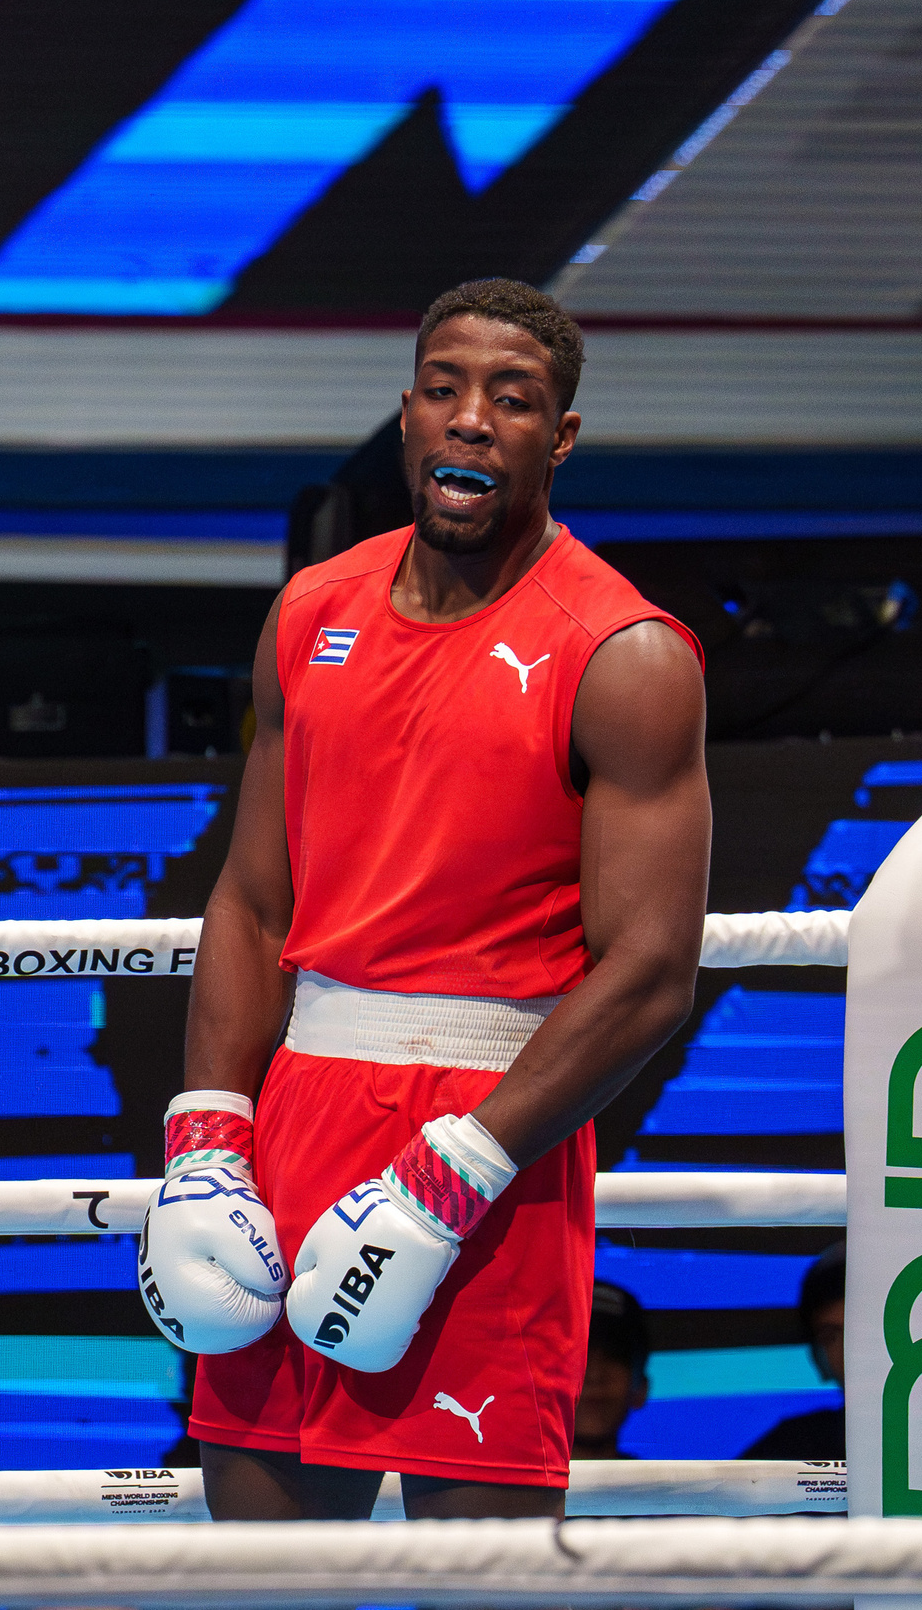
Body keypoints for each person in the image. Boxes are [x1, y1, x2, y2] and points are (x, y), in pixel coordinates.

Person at [133, 277, 712, 1519]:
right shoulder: (309, 614)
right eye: (443, 389)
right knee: (267, 1582)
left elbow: (652, 965)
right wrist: (205, 1134)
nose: (469, 420)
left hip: (496, 1136)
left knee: (485, 1579)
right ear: (405, 416)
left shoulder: (624, 654)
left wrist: (457, 1172)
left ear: (556, 438)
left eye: (511, 400)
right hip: (298, 1118)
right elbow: (248, 902)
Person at [741, 1241, 846, 1459]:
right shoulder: (790, 1448)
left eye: (864, 1329)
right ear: (817, 1357)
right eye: (831, 1336)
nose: (849, 1350)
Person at [573, 1280, 651, 1459]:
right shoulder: (502, 1484)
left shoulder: (665, 1487)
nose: (594, 1375)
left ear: (641, 1388)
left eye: (615, 1355)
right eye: (576, 1355)